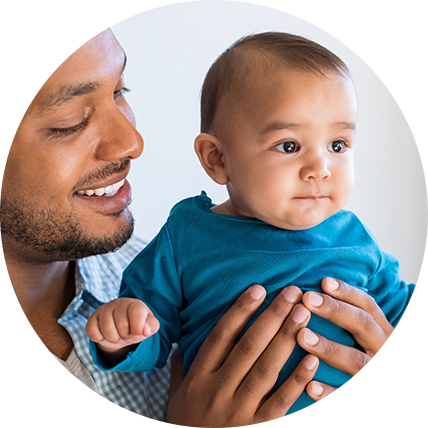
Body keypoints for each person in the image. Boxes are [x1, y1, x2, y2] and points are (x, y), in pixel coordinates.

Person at [0, 0, 421, 426]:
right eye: (70, 120)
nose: (133, 142)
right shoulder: (182, 247)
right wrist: (122, 339)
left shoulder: (351, 236)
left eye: (119, 91)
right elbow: (152, 333)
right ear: (216, 159)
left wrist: (404, 416)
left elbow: (399, 306)